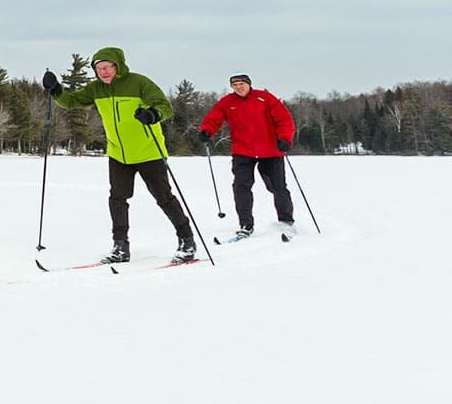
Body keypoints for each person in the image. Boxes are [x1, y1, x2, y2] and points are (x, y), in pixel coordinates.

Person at [43, 47, 197, 264]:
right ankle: (120, 247)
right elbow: (71, 101)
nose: (103, 72)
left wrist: (152, 114)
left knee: (163, 197)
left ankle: (187, 240)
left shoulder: (139, 82)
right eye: (98, 69)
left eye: (107, 67)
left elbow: (165, 107)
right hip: (118, 153)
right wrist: (56, 90)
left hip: (148, 151)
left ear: (117, 66)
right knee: (117, 199)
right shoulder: (96, 89)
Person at [198, 74, 296, 240]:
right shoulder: (227, 102)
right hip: (243, 151)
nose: (238, 87)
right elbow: (214, 118)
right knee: (241, 187)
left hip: (270, 150)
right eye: (234, 84)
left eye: (241, 83)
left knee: (277, 187)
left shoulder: (264, 98)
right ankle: (245, 224)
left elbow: (284, 120)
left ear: (249, 84)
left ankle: (286, 221)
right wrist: (207, 130)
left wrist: (285, 139)